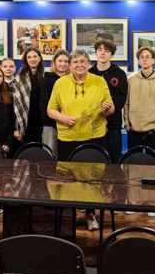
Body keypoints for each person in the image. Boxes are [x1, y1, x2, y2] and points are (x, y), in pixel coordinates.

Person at [47, 49, 114, 231]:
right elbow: (50, 109)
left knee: (93, 179)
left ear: (89, 64)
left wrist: (107, 109)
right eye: (75, 62)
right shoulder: (60, 83)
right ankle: (69, 215)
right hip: (68, 138)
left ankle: (90, 214)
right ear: (70, 65)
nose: (79, 65)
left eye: (83, 61)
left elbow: (111, 110)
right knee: (67, 179)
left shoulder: (99, 81)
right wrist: (63, 118)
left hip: (94, 137)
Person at [124, 46, 155, 155]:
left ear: (153, 60)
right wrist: (127, 124)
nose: (144, 59)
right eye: (141, 57)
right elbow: (126, 104)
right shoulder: (131, 80)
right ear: (138, 61)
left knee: (153, 163)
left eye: (147, 57)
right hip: (133, 132)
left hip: (152, 132)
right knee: (133, 163)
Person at [89, 40, 128, 164]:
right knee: (94, 159)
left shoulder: (120, 74)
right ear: (95, 53)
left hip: (113, 125)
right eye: (100, 50)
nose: (102, 53)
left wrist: (106, 119)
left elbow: (120, 100)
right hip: (93, 124)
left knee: (114, 160)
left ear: (112, 55)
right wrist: (99, 119)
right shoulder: (89, 73)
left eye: (106, 51)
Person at [11, 47, 45, 144]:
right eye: (29, 57)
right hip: (27, 121)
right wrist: (16, 127)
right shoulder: (20, 78)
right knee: (28, 150)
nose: (32, 59)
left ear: (39, 58)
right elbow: (15, 104)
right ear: (26, 60)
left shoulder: (45, 76)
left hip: (43, 121)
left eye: (35, 56)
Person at [41, 49, 70, 155]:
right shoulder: (46, 81)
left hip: (69, 126)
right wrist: (59, 120)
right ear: (54, 62)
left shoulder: (72, 81)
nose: (63, 64)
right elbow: (44, 106)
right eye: (60, 61)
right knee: (50, 157)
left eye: (66, 61)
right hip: (51, 126)